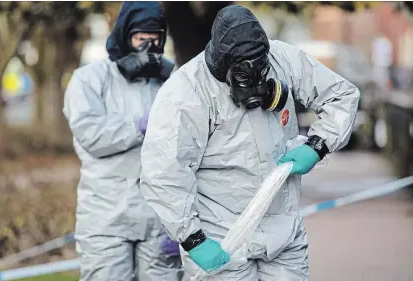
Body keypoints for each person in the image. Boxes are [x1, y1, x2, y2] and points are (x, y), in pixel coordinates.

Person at [140, 5, 360, 281]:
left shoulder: (283, 58)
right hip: (221, 238)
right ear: (223, 67)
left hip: (283, 234)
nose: (256, 83)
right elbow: (164, 173)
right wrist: (192, 238)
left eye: (261, 70)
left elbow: (342, 96)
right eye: (245, 76)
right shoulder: (185, 92)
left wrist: (318, 145)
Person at [63, 2, 180, 281]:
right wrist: (138, 126)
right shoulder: (89, 80)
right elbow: (90, 134)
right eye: (141, 37)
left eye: (155, 38)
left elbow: (189, 152)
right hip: (107, 219)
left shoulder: (170, 83)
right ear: (125, 34)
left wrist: (182, 226)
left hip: (159, 222)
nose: (149, 46)